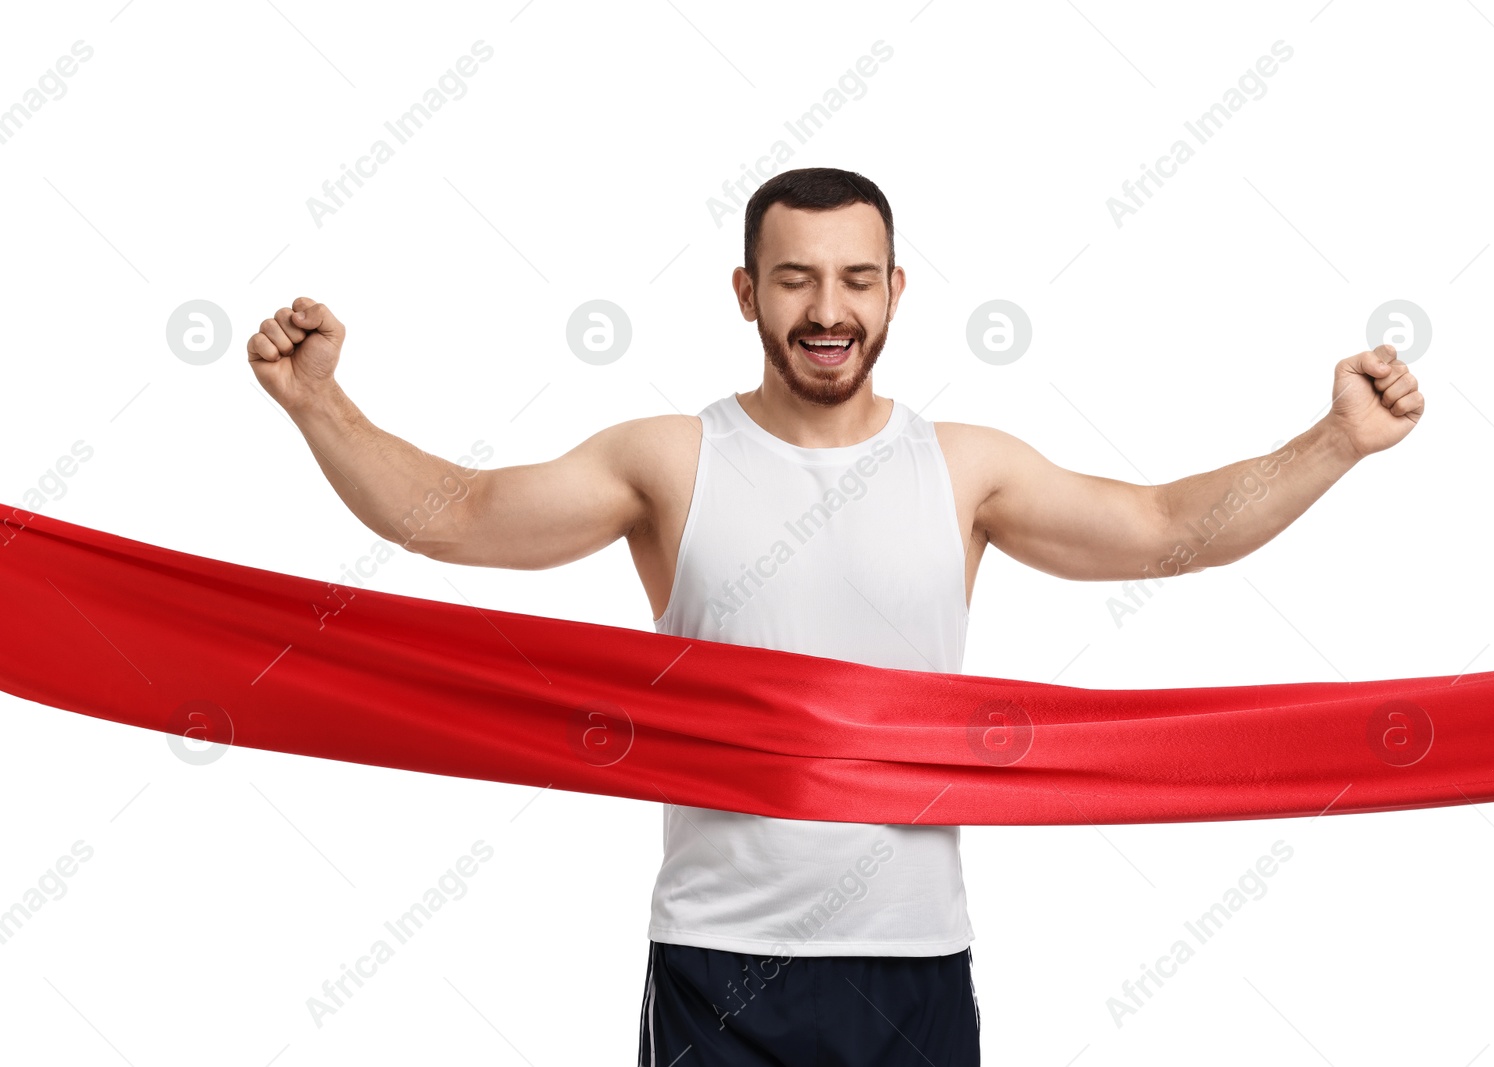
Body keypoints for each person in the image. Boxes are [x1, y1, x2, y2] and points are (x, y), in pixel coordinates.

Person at [245, 166, 1424, 1066]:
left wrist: (1335, 441)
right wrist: (319, 402)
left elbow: (1168, 525)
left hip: (913, 962)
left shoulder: (965, 470)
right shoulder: (669, 458)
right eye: (797, 277)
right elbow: (455, 514)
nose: (828, 307)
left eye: (857, 278)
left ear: (895, 292)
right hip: (718, 963)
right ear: (748, 292)